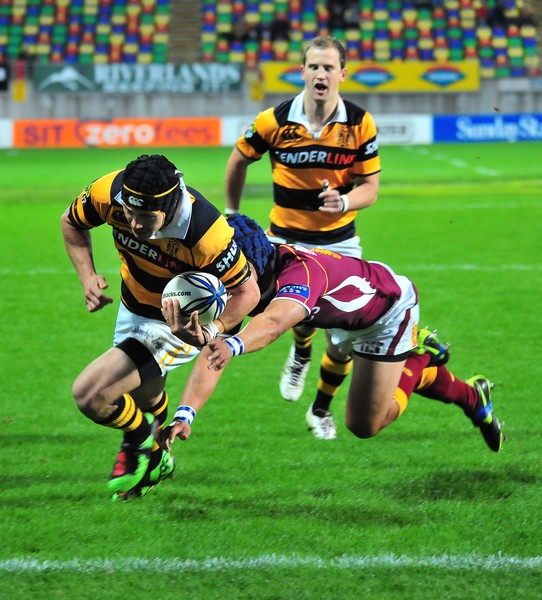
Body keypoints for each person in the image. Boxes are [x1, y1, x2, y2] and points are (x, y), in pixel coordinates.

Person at [161, 214, 505, 455]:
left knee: (365, 424)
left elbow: (276, 322)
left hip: (386, 312)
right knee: (360, 405)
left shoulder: (301, 273)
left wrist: (233, 344)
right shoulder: (247, 277)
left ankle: (420, 359)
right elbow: (213, 352)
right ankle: (473, 396)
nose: (221, 277)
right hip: (343, 317)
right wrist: (184, 414)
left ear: (253, 263)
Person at [60, 154, 260, 500]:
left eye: (145, 217)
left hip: (181, 323)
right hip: (133, 305)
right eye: (129, 213)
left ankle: (139, 443)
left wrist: (212, 332)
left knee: (91, 394)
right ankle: (157, 458)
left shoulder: (205, 231)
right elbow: (71, 222)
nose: (134, 224)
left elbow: (248, 291)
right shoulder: (110, 191)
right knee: (144, 398)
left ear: (168, 207)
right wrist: (87, 276)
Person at [224, 35, 381, 440]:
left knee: (345, 336)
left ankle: (321, 408)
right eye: (314, 66)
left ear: (342, 75)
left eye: (329, 67)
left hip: (341, 244)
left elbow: (370, 189)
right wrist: (232, 213)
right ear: (302, 72)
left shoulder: (359, 123)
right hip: (287, 242)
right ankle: (300, 353)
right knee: (300, 313)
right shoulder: (273, 121)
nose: (321, 74)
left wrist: (344, 202)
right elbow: (239, 159)